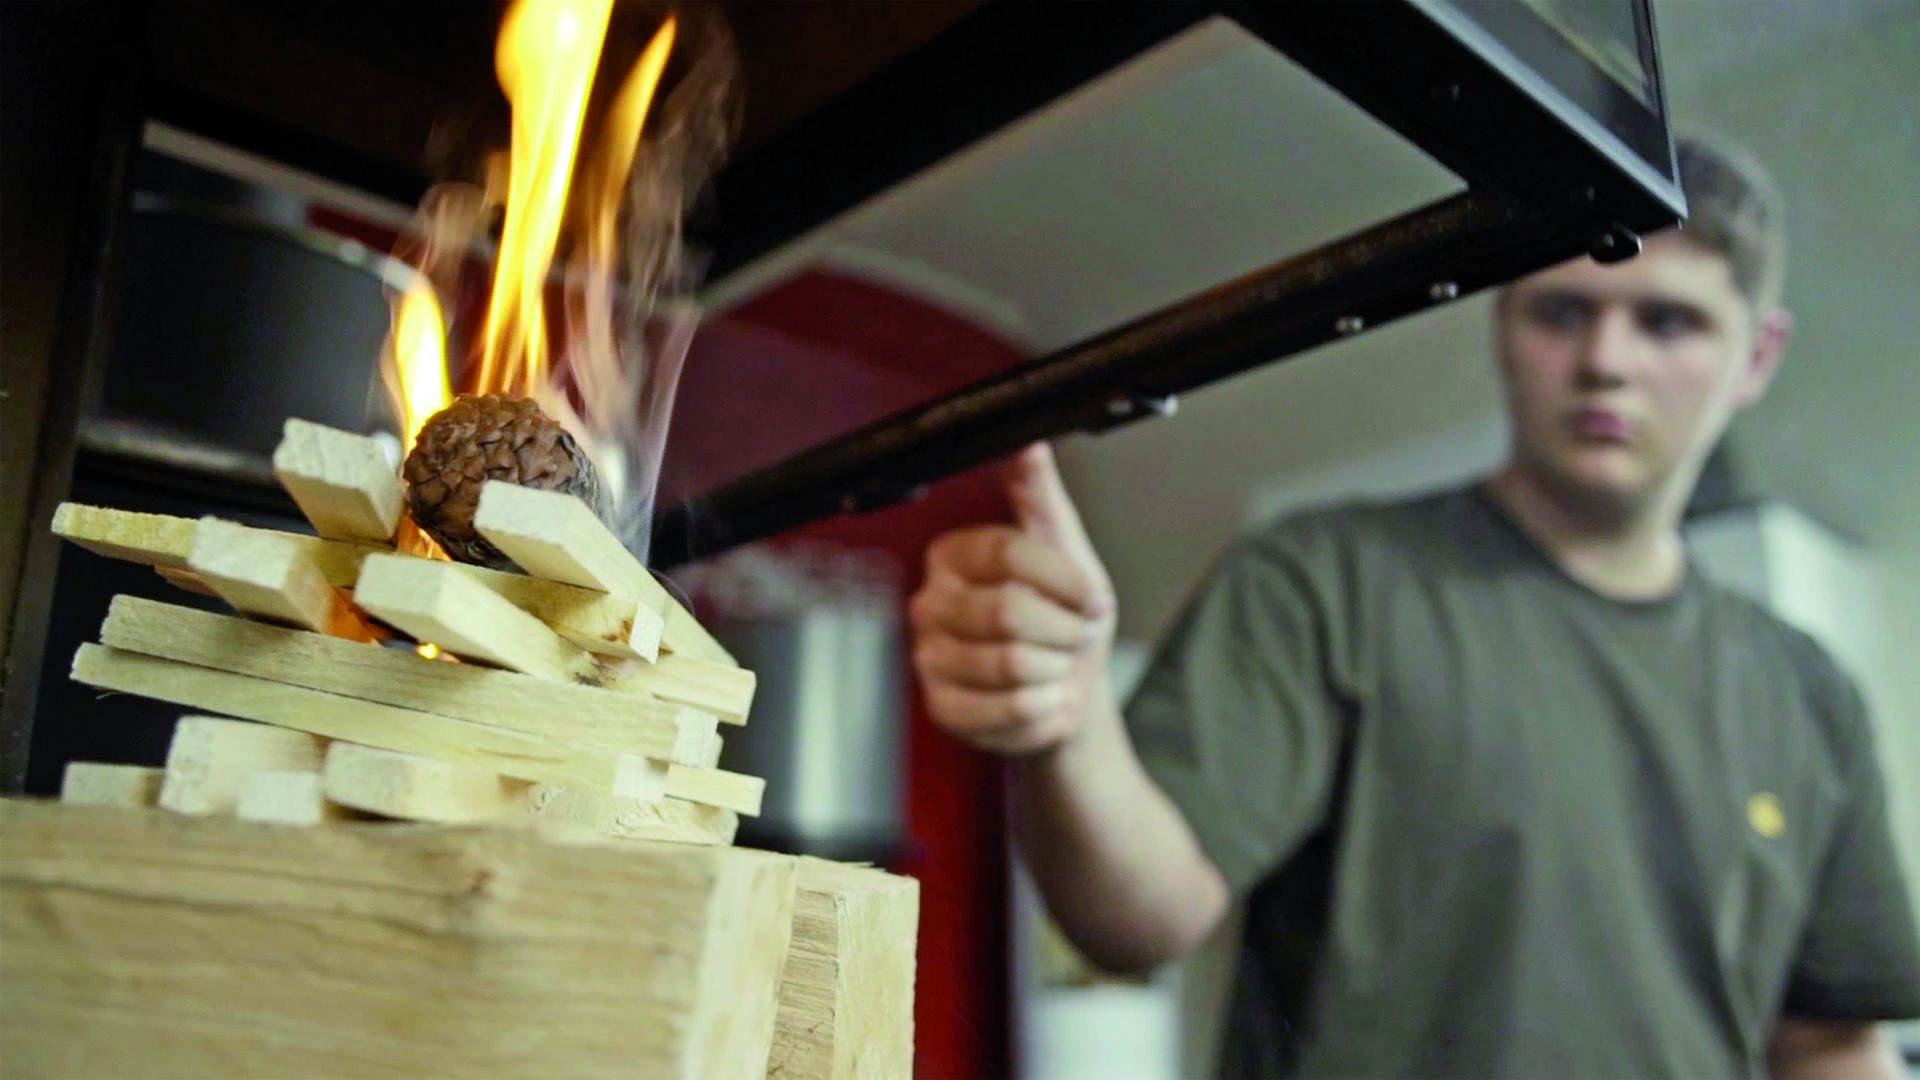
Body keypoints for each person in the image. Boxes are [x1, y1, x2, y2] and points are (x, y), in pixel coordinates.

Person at [907, 138, 1920, 1078]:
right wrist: (1067, 724)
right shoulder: (1326, 584)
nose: (1607, 360)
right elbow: (1134, 922)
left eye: (1667, 321)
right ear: (1502, 321)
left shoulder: (1808, 693)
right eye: (1563, 311)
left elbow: (1832, 1044)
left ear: (1757, 356)